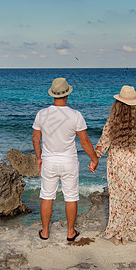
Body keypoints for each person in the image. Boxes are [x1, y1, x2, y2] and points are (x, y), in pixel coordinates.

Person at [32, 77, 99, 241]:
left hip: (49, 161)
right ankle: (70, 232)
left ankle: (45, 232)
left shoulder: (41, 114)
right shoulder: (76, 115)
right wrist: (94, 159)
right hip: (69, 162)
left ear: (52, 95)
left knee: (47, 196)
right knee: (71, 197)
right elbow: (84, 141)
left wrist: (39, 158)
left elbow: (35, 138)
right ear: (67, 95)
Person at [92, 85, 136, 246]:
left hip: (116, 160)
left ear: (118, 104)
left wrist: (94, 159)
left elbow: (103, 142)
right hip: (131, 159)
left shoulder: (113, 120)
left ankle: (118, 234)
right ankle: (129, 232)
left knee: (117, 197)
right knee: (133, 195)